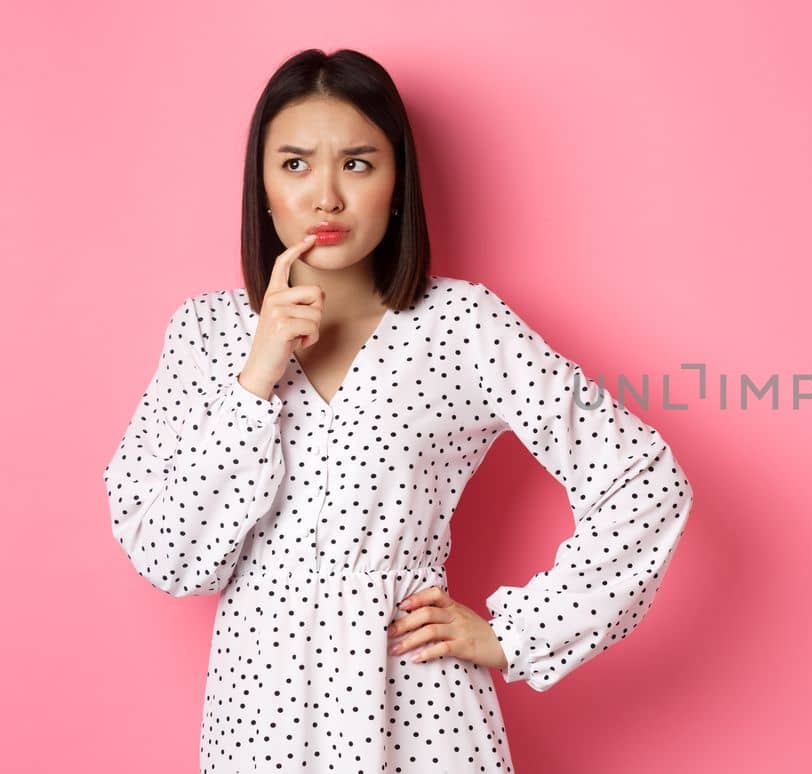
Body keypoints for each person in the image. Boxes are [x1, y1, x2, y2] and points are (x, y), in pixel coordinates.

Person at [102, 48, 695, 773]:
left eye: (357, 163)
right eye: (294, 165)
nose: (326, 196)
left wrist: (520, 634)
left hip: (421, 711)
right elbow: (169, 556)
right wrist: (256, 376)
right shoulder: (207, 334)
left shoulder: (463, 325)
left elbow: (642, 479)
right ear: (261, 184)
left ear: (397, 182)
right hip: (260, 718)